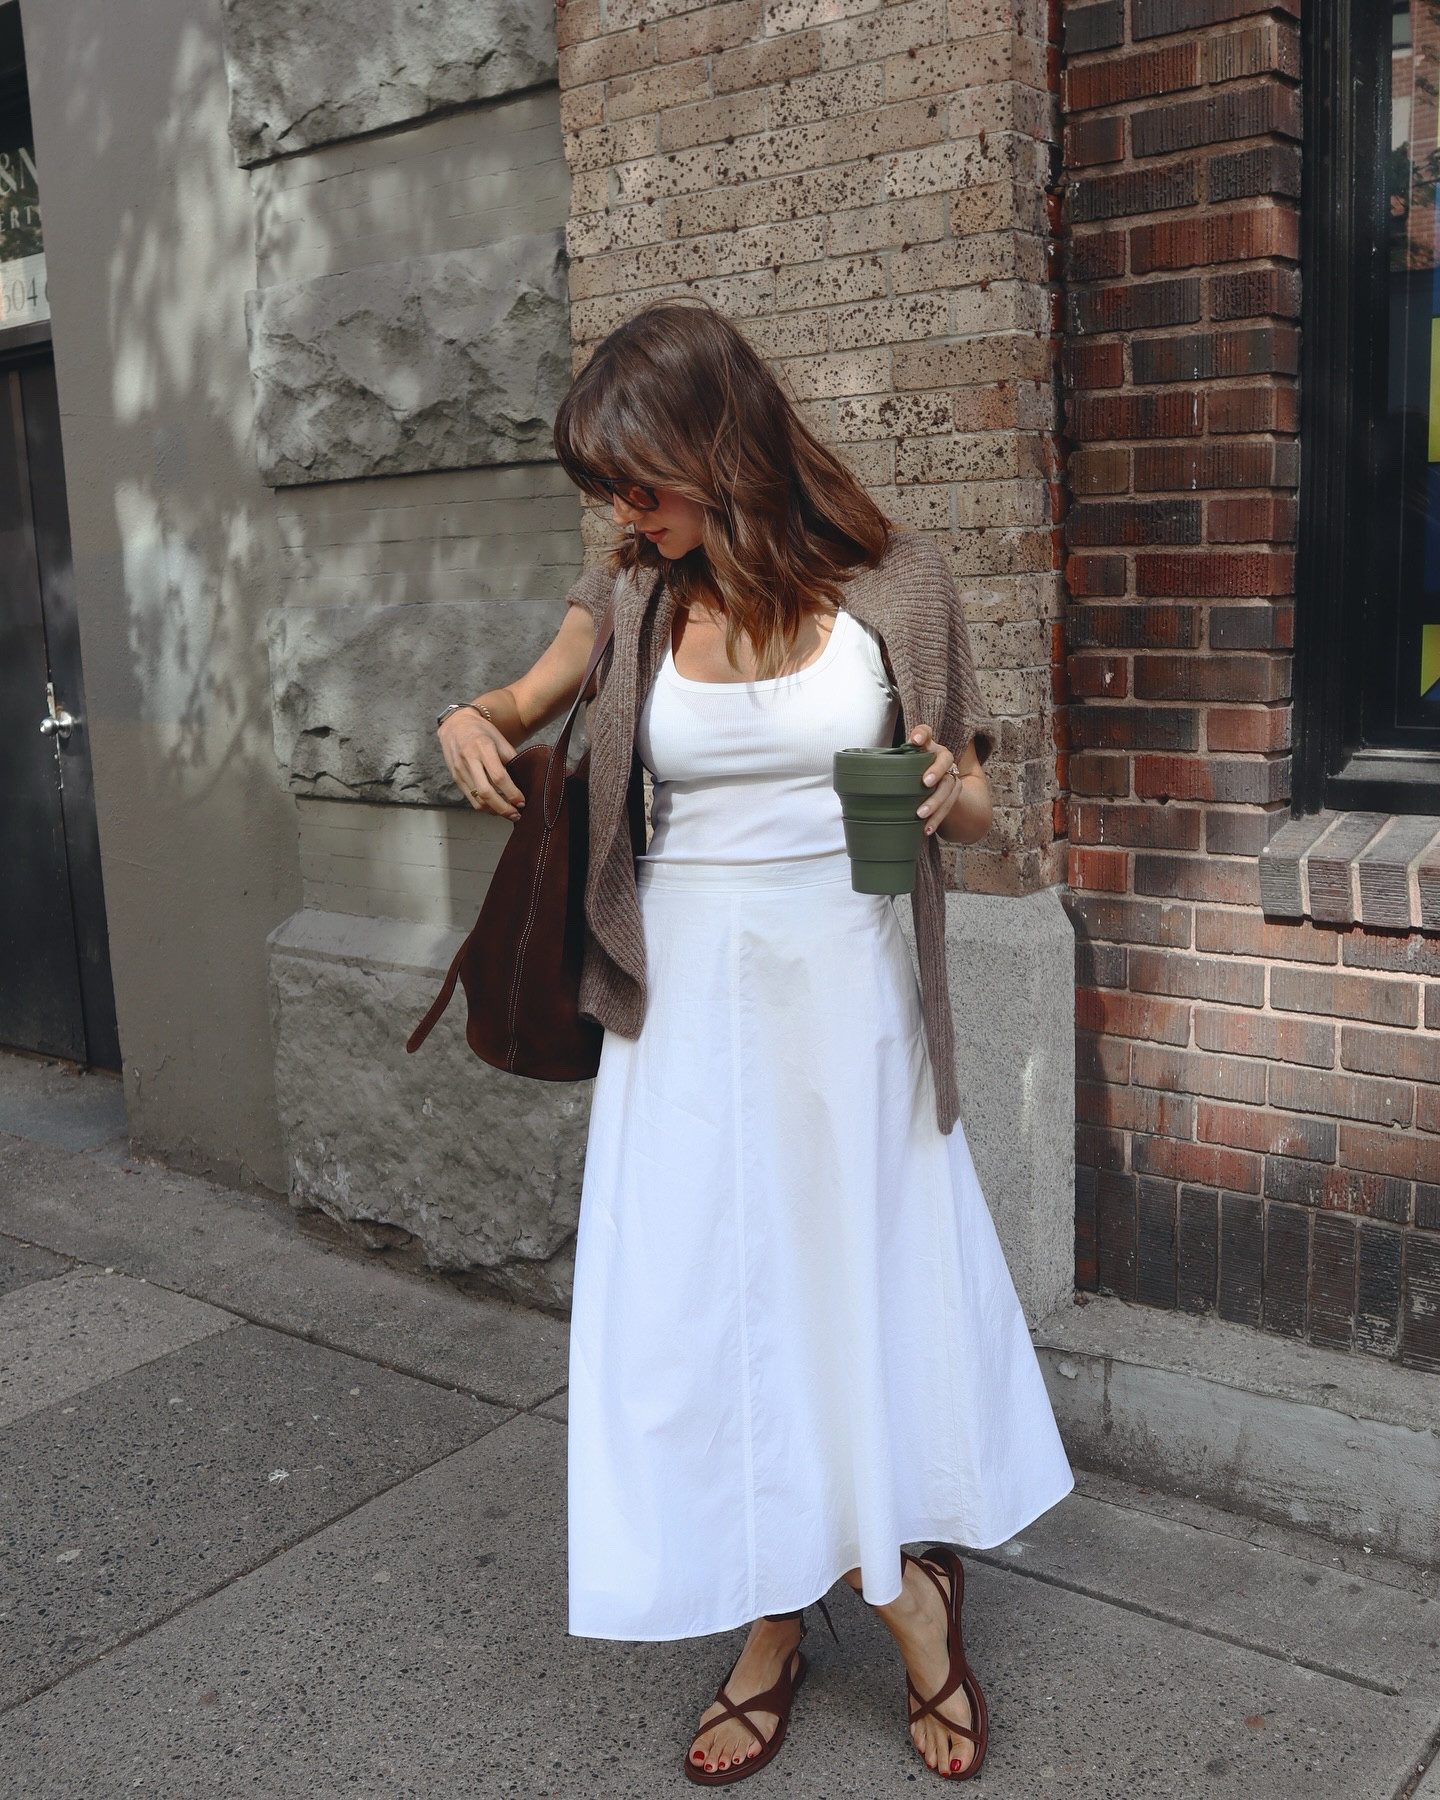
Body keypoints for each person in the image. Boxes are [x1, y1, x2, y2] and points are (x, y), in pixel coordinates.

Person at [437, 299, 1073, 1785]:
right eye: (606, 491)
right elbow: (523, 699)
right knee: (714, 1314)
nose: (620, 515)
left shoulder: (895, 584)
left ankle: (906, 1596)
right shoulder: (632, 594)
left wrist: (946, 796)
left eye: (637, 483)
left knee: (849, 1296)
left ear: (717, 451)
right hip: (684, 1011)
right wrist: (476, 722)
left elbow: (978, 803)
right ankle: (773, 1613)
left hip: (847, 1000)